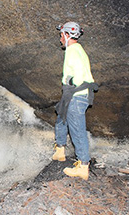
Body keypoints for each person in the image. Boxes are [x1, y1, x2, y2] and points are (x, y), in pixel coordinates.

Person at [52, 22, 98, 180]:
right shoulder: (77, 50)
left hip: (76, 96)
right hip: (73, 95)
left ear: (67, 35)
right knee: (61, 118)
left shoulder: (73, 51)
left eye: (61, 35)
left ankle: (83, 166)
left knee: (77, 130)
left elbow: (78, 74)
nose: (60, 39)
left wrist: (72, 86)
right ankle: (59, 151)